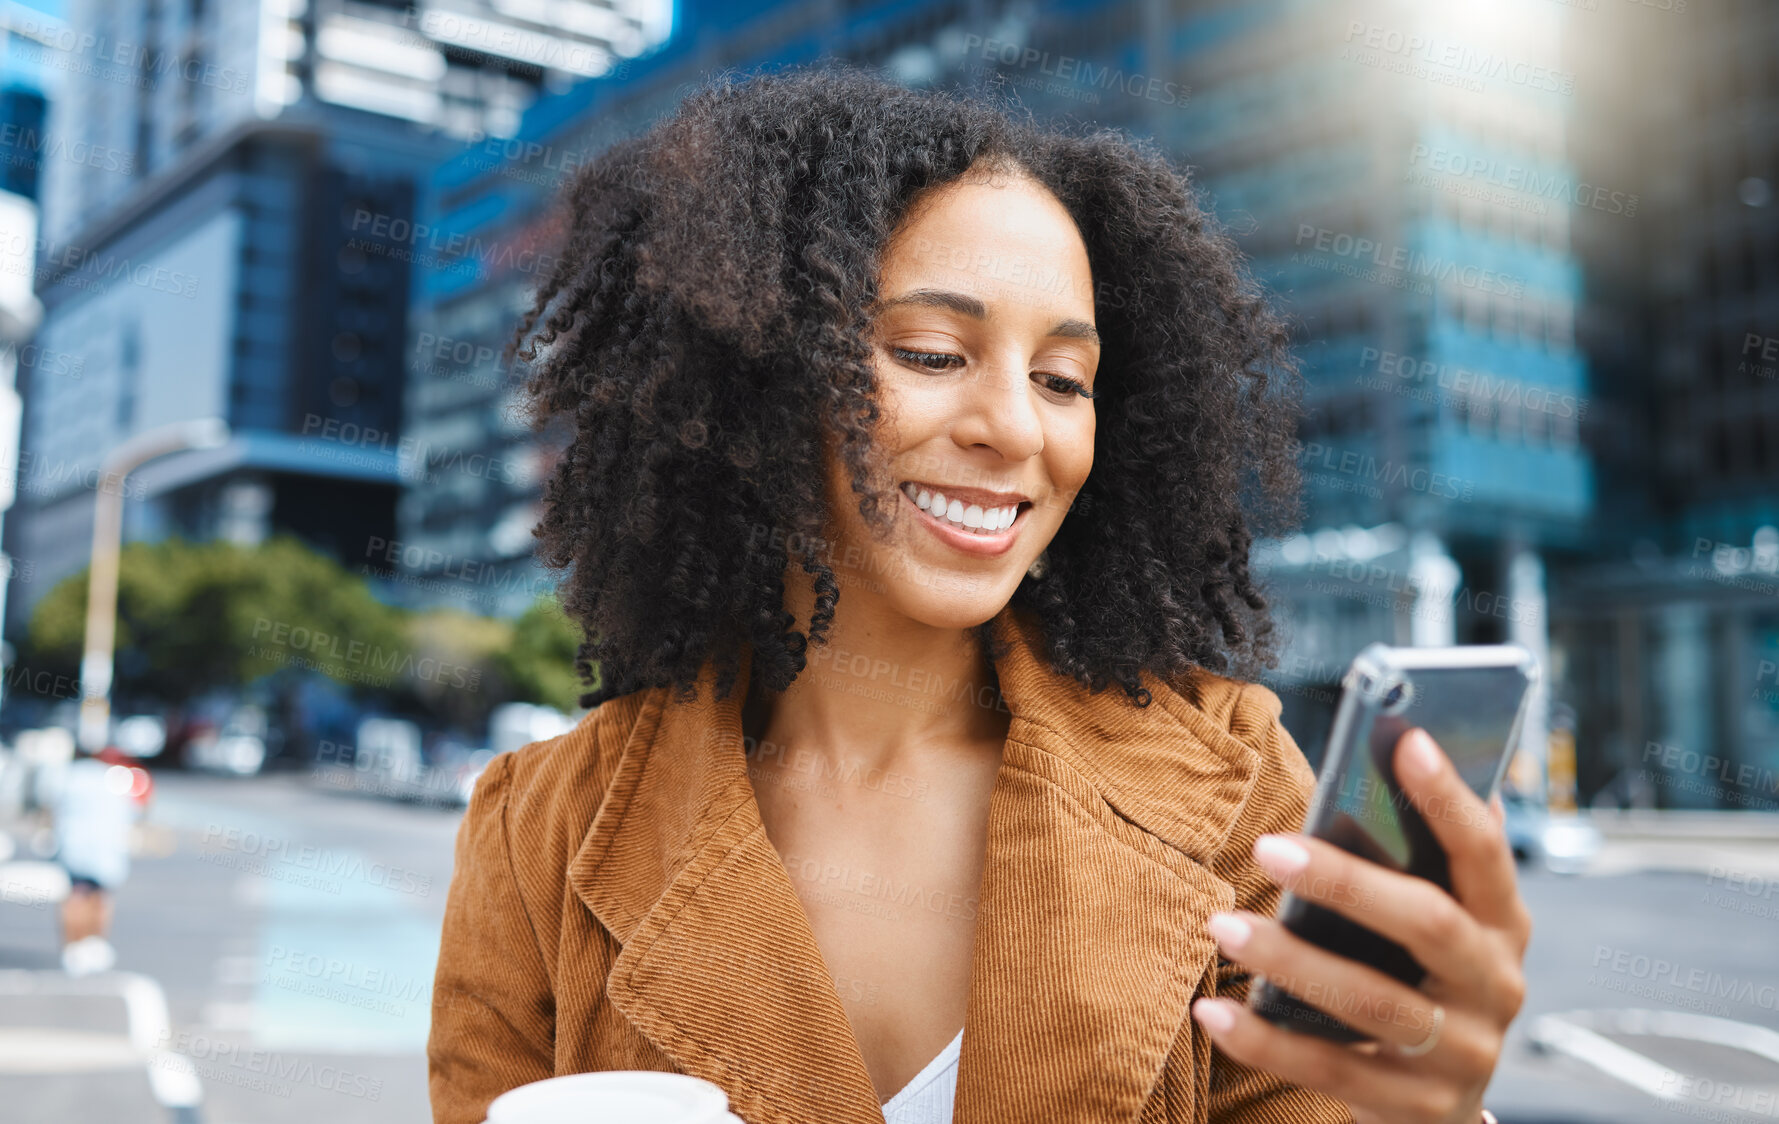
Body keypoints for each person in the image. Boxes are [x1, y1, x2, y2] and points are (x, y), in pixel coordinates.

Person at [428, 66, 1530, 1124]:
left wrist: (1429, 1109)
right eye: (932, 352)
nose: (1014, 427)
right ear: (763, 375)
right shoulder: (536, 839)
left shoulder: (1238, 790)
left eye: (1063, 379)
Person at [52, 746, 138, 976]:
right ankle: (94, 943)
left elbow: (51, 807)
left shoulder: (68, 777)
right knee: (101, 898)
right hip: (106, 850)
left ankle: (73, 948)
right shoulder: (114, 778)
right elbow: (130, 812)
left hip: (74, 846)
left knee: (76, 895)